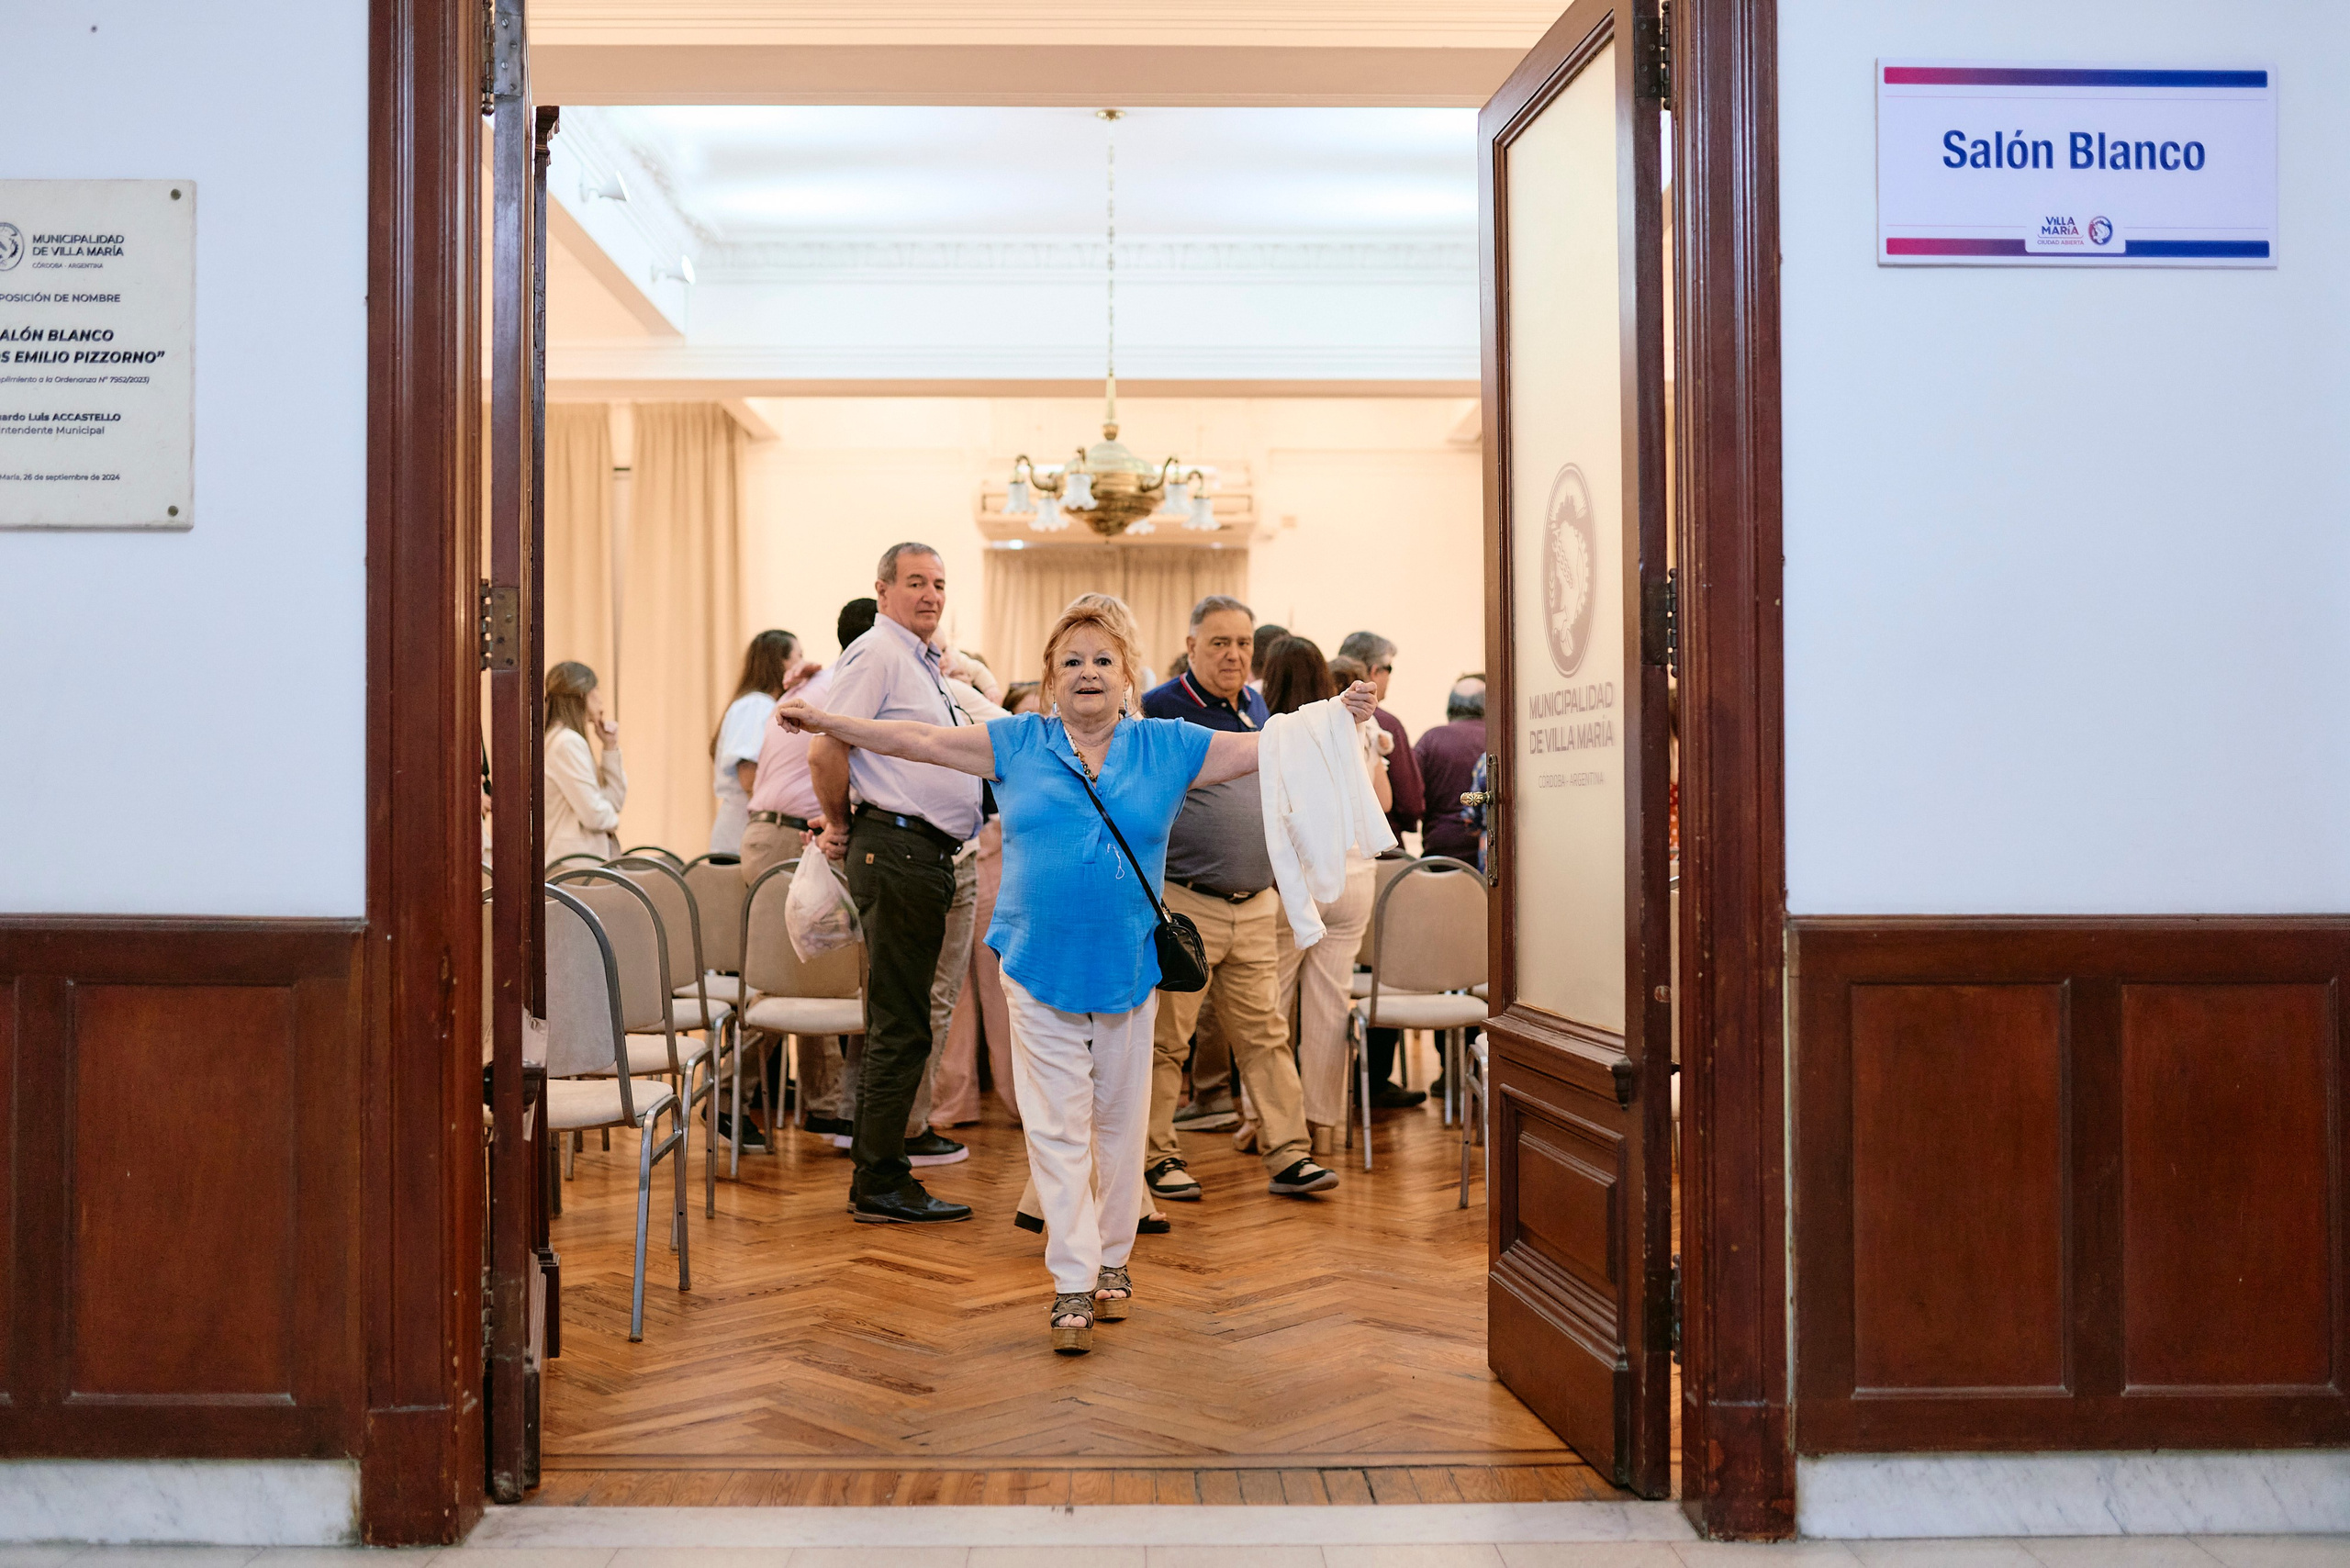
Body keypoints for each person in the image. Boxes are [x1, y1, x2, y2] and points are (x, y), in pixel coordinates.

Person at [773, 597, 1378, 1352]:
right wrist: (830, 721)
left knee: (1122, 1129)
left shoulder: (1169, 745)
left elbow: (1273, 747)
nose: (1087, 674)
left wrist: (1335, 713)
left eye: (1102, 661)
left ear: (1128, 675)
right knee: (1056, 1129)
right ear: (1050, 678)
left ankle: (1115, 1262)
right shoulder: (1019, 742)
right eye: (1071, 662)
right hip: (1034, 963)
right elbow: (920, 739)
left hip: (1128, 966)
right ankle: (1071, 1281)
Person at [1138, 597, 1338, 1204]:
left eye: (1244, 643)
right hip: (1185, 903)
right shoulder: (1160, 709)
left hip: (1253, 903)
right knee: (1166, 1041)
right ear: (1192, 645)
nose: (1233, 654)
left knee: (1265, 1034)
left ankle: (1289, 1154)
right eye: (1220, 643)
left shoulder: (1257, 706)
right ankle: (1154, 1157)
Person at [809, 543, 987, 1225]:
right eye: (916, 583)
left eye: (940, 584)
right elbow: (826, 745)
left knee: (905, 1021)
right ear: (882, 590)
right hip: (899, 847)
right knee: (901, 1023)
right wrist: (838, 825)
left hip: (922, 852)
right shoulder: (878, 653)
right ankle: (881, 1180)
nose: (931, 596)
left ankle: (881, 1174)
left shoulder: (920, 661)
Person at [739, 599, 872, 1149]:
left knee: (815, 971)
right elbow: (829, 759)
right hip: (792, 838)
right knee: (781, 978)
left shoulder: (813, 685)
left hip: (775, 834)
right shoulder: (842, 690)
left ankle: (822, 1105)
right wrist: (839, 823)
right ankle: (725, 1097)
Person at [1261, 637, 1391, 1149]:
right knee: (1331, 1002)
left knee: (1273, 1002)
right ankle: (1323, 1123)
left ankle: (1265, 1121)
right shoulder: (1361, 727)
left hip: (1297, 879)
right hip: (1357, 873)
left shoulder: (1274, 729)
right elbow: (1382, 800)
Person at [709, 630, 801, 856]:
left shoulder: (759, 704)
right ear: (781, 662)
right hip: (742, 837)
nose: (803, 664)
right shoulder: (756, 706)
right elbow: (748, 776)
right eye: (799, 656)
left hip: (746, 834)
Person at [1337, 631, 1425, 844]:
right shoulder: (1386, 724)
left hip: (1336, 843)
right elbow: (1410, 804)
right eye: (1389, 669)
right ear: (1375, 671)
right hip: (1382, 845)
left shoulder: (1322, 717)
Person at [543, 661, 626, 866]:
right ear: (582, 695)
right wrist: (614, 821)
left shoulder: (565, 739)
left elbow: (613, 801)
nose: (600, 697)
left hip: (577, 864)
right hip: (574, 866)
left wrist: (610, 747)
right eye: (595, 689)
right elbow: (594, 816)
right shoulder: (567, 742)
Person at [1416, 676, 1488, 864]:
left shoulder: (1431, 739)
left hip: (1441, 850)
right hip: (1489, 851)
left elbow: (1412, 797)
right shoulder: (1497, 738)